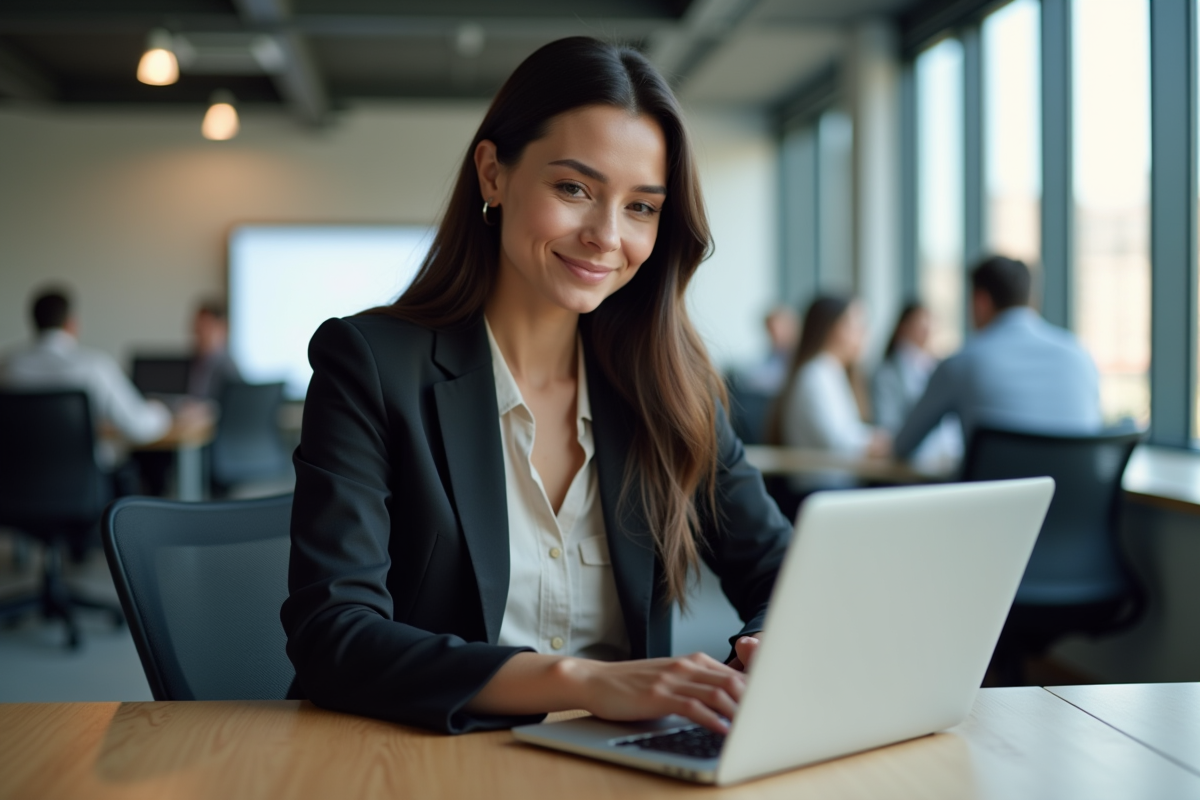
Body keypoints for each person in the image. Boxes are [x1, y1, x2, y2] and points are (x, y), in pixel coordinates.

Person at [281, 37, 793, 737]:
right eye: (574, 189)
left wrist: (761, 652)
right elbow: (333, 635)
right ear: (493, 174)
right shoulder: (370, 364)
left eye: (641, 207)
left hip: (620, 765)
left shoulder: (671, 385)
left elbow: (783, 568)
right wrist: (581, 681)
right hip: (425, 759)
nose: (606, 236)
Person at [893, 256, 1102, 459]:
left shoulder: (961, 364)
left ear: (981, 302)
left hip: (998, 485)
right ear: (1031, 299)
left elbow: (903, 446)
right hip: (1078, 485)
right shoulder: (1081, 356)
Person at [0, 287, 172, 474]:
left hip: (14, 484)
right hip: (84, 483)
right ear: (71, 323)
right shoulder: (94, 367)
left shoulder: (5, 369)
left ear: (34, 323)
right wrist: (162, 411)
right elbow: (138, 426)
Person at [766, 296, 890, 461]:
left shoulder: (832, 371)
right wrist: (876, 442)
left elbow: (848, 432)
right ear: (832, 329)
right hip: (821, 475)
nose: (864, 334)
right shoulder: (815, 375)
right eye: (856, 326)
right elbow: (837, 442)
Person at [187, 299, 242, 400]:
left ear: (222, 329)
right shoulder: (196, 363)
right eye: (198, 328)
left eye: (206, 327)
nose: (200, 334)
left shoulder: (227, 368)